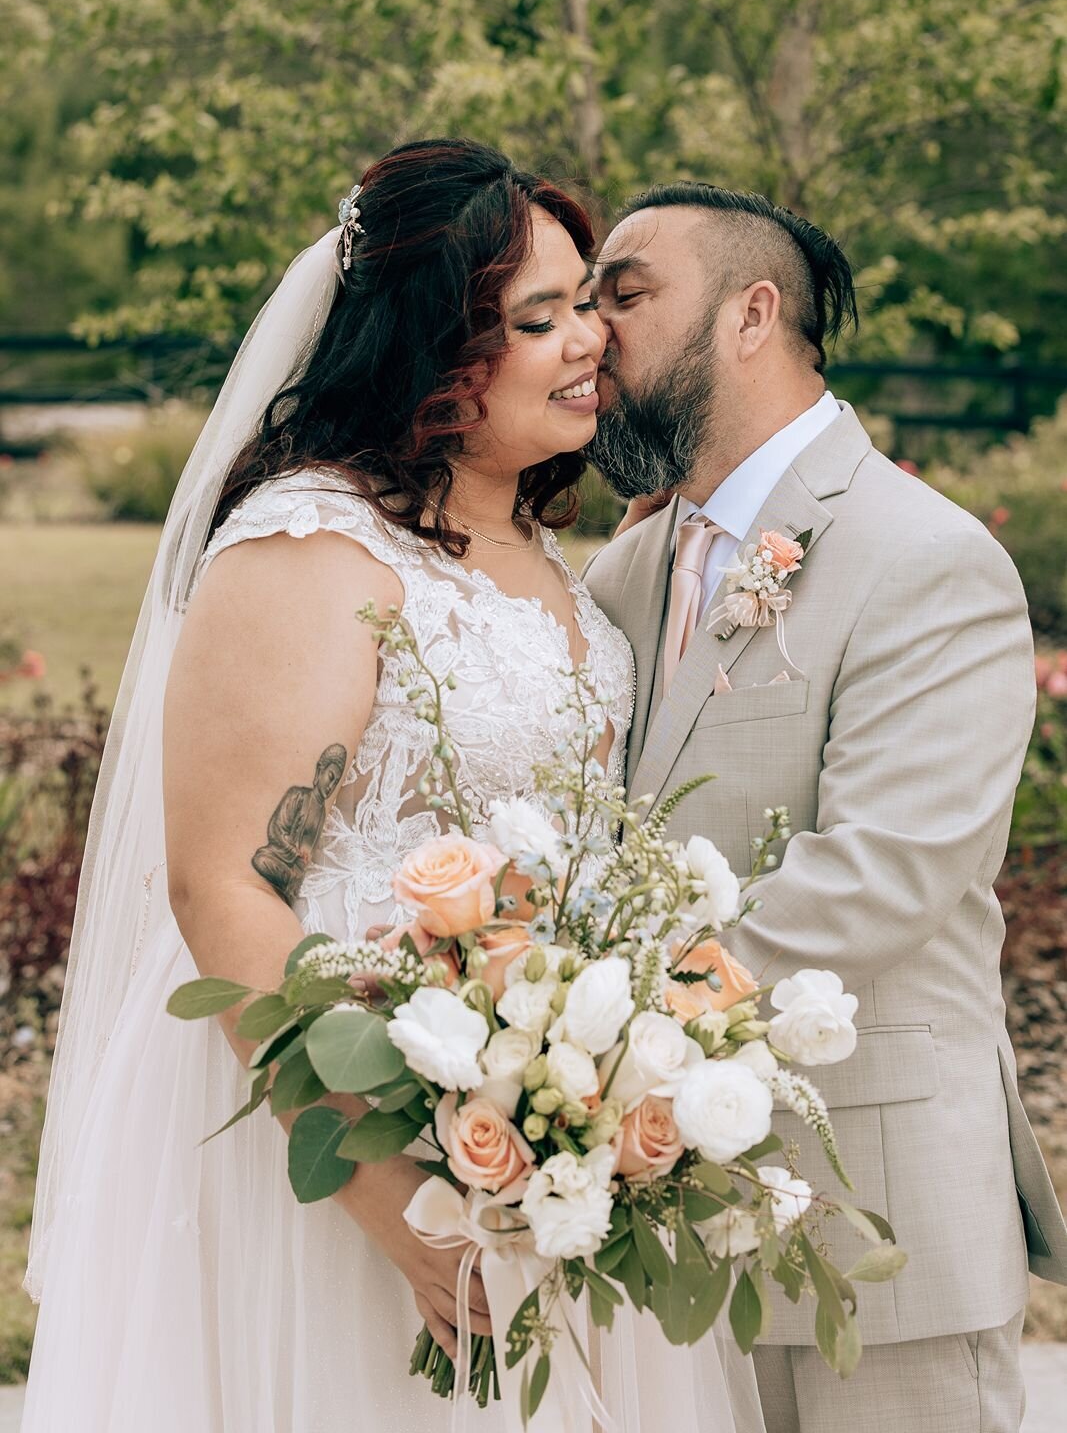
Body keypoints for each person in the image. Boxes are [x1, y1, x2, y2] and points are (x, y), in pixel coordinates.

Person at [20, 142, 761, 1431]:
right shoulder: (313, 546)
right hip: (336, 1126)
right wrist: (384, 1191)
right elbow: (224, 887)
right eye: (537, 318)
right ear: (429, 353)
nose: (587, 338)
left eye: (586, 299)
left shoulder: (538, 550)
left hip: (529, 1126)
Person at [583, 182, 1067, 1433]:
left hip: (868, 1225)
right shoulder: (627, 569)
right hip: (662, 1232)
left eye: (623, 293)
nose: (590, 331)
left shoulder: (926, 556)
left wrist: (590, 1030)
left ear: (751, 314)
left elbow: (882, 872)